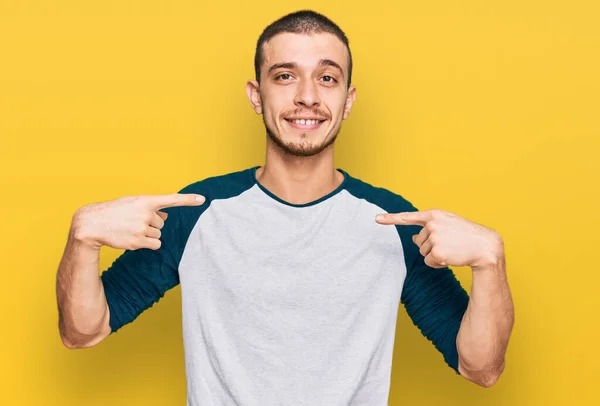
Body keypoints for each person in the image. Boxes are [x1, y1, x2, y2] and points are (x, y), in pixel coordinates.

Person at [55, 9, 514, 406]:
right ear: (257, 95)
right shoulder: (195, 211)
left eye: (328, 78)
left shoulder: (394, 222)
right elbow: (84, 331)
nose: (308, 97)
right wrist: (83, 238)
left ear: (347, 100)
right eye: (286, 75)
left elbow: (479, 367)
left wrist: (491, 261)